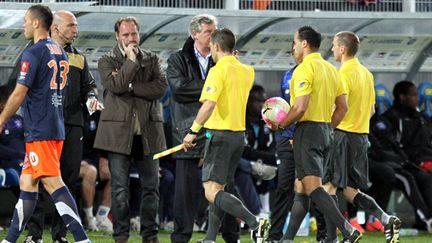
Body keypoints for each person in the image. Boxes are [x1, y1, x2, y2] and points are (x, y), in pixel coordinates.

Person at [0, 4, 89, 243]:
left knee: (53, 183)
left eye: (26, 21)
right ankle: (9, 240)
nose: (24, 25)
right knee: (27, 183)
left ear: (37, 23)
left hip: (41, 130)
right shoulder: (59, 51)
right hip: (52, 126)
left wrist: (1, 119)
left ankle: (82, 240)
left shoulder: (34, 52)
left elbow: (19, 92)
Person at [271, 26, 360, 243]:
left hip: (307, 131)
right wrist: (328, 127)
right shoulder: (331, 69)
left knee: (312, 187)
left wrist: (281, 125)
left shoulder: (303, 69)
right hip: (325, 130)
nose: (293, 47)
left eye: (295, 41)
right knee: (300, 187)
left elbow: (300, 107)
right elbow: (343, 107)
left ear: (304, 43)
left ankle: (347, 229)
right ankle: (287, 238)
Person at [182, 28, 269, 243]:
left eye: (211, 47)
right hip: (238, 137)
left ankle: (254, 222)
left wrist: (192, 131)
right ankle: (210, 238)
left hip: (219, 136)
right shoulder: (247, 71)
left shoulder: (217, 70)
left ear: (217, 47)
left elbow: (209, 104)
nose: (210, 51)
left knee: (211, 191)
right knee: (219, 189)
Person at [23, 10, 100, 243]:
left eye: (75, 26)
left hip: (71, 125)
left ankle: (60, 235)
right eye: (71, 26)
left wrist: (91, 99)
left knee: (68, 178)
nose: (76, 30)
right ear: (55, 27)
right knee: (37, 178)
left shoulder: (79, 58)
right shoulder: (36, 53)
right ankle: (34, 234)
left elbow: (89, 87)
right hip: (43, 126)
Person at [93, 16, 167, 243]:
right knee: (119, 190)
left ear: (139, 34)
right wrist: (131, 62)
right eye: (125, 35)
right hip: (118, 136)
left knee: (151, 188)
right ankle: (121, 236)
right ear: (117, 36)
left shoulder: (152, 59)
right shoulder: (107, 60)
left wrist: (132, 86)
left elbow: (160, 88)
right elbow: (115, 85)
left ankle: (150, 236)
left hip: (148, 135)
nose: (130, 38)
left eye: (133, 34)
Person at [322, 31, 401, 243]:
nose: (331, 49)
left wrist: (328, 127)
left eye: (333, 45)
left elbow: (340, 106)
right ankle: (385, 218)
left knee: (328, 187)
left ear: (342, 49)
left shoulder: (343, 74)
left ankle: (333, 238)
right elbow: (373, 110)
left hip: (342, 136)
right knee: (349, 190)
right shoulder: (367, 73)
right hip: (360, 138)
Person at [166, 14, 239, 243]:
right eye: (208, 31)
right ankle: (181, 237)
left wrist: (210, 90)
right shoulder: (178, 59)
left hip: (219, 130)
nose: (213, 35)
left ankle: (231, 235)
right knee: (185, 191)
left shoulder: (223, 59)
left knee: (225, 185)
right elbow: (179, 89)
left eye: (214, 31)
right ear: (195, 33)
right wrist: (214, 88)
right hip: (187, 131)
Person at [267, 67, 296, 242]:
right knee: (284, 187)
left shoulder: (317, 70)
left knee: (313, 187)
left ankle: (325, 234)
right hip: (286, 138)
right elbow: (279, 105)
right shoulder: (287, 75)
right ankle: (274, 235)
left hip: (308, 137)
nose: (294, 49)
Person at [79, 109, 113, 232]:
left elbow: (104, 139)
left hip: (94, 158)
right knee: (91, 171)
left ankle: (101, 218)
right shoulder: (72, 112)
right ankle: (89, 218)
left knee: (114, 172)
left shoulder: (98, 115)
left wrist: (104, 158)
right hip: (74, 160)